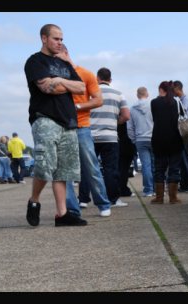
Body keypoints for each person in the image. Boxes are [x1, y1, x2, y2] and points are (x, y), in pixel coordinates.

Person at [23, 23, 86, 227]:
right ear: (44, 38)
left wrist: (59, 80)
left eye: (61, 39)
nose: (60, 43)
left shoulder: (65, 63)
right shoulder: (35, 61)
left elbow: (81, 87)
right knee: (45, 165)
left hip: (68, 120)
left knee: (64, 170)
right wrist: (64, 85)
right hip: (45, 117)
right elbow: (46, 88)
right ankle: (34, 201)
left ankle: (62, 214)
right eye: (56, 39)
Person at [57, 43, 112, 218]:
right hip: (60, 128)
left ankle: (103, 203)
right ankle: (72, 209)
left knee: (91, 167)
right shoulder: (53, 77)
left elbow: (98, 100)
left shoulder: (86, 74)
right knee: (64, 171)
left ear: (65, 53)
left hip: (81, 127)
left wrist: (76, 106)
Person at [85, 67, 130, 207]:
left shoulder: (89, 93)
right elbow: (126, 116)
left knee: (87, 168)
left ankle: (83, 200)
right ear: (110, 80)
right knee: (111, 169)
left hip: (90, 135)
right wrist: (114, 122)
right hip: (110, 136)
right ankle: (113, 199)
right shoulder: (118, 94)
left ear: (97, 78)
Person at [150, 81, 183, 204]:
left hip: (159, 139)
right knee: (174, 168)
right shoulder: (177, 102)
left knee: (159, 169)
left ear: (160, 89)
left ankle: (159, 198)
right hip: (175, 139)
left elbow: (155, 118)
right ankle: (173, 198)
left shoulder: (154, 102)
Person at [128, 86, 156, 197]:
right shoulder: (153, 105)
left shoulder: (132, 108)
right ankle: (157, 188)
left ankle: (148, 190)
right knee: (156, 165)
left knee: (146, 165)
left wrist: (134, 139)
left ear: (137, 95)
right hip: (153, 138)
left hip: (140, 139)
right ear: (147, 94)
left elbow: (129, 128)